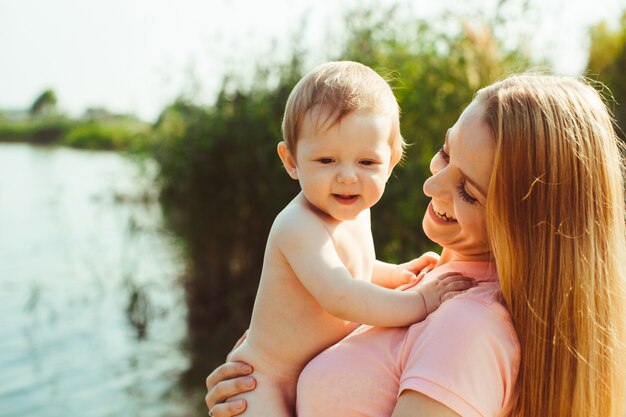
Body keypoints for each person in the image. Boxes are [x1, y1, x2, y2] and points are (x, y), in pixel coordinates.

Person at [204, 73, 626, 417]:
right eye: (446, 153)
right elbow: (348, 284)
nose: (430, 183)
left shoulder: (466, 327)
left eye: (468, 192)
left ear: (528, 225)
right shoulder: (432, 284)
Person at [225, 61, 476, 417]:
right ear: (291, 160)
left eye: (366, 163)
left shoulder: (354, 211)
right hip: (264, 380)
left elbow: (358, 268)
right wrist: (421, 300)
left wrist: (399, 274)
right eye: (326, 160)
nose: (347, 177)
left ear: (391, 163)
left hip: (304, 378)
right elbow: (340, 294)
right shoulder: (298, 225)